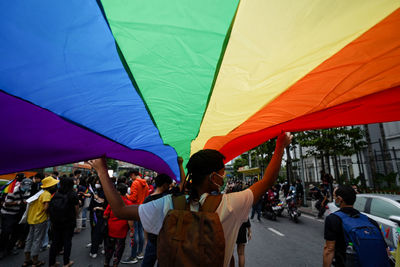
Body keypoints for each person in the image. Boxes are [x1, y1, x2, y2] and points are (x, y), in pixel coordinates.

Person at [89, 132, 292, 267]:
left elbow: (120, 210)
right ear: (213, 177)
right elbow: (267, 181)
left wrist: (101, 170)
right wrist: (281, 145)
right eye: (222, 173)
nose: (224, 178)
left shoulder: (168, 203)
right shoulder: (230, 204)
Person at [323, 185, 390, 267]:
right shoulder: (370, 221)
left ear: (339, 199)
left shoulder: (333, 219)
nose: (334, 199)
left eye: (334, 196)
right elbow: (386, 250)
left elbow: (329, 250)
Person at [23, 176, 59, 267]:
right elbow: (46, 207)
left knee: (29, 239)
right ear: (50, 186)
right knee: (37, 240)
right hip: (40, 219)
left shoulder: (39, 193)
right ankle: (35, 261)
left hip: (31, 218)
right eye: (54, 184)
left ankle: (27, 260)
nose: (55, 185)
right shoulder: (46, 194)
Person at [141, 174, 173, 267]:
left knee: (147, 263)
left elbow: (146, 223)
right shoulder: (168, 198)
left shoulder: (148, 200)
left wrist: (146, 239)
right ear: (165, 185)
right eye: (168, 185)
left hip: (152, 239)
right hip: (164, 240)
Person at [48, 177, 79, 267]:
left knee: (55, 242)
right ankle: (66, 262)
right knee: (67, 242)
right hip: (69, 222)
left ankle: (52, 263)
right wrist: (75, 217)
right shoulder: (73, 194)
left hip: (56, 222)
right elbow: (76, 208)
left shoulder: (57, 193)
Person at [0, 178, 32, 259]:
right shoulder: (13, 191)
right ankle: (1, 249)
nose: (27, 188)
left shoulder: (28, 190)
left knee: (16, 232)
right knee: (6, 232)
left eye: (28, 186)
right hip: (8, 213)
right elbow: (7, 203)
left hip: (18, 214)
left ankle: (9, 249)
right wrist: (19, 202)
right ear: (21, 184)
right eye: (25, 186)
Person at [122, 169, 149, 264]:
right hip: (143, 209)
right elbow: (147, 197)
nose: (130, 178)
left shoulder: (135, 183)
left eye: (130, 176)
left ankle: (133, 256)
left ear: (133, 175)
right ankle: (140, 253)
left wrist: (126, 195)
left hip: (135, 210)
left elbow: (133, 198)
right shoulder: (145, 184)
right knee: (141, 231)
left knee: (135, 232)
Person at [103, 183, 133, 267]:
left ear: (118, 192)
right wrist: (132, 231)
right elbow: (130, 219)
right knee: (118, 250)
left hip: (111, 230)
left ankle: (106, 263)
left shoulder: (113, 202)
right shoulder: (128, 203)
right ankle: (115, 264)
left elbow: (105, 215)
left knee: (109, 248)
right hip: (122, 231)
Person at [89, 178, 107, 258]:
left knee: (98, 232)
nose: (96, 184)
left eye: (98, 183)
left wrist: (97, 199)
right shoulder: (96, 190)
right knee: (95, 231)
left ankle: (94, 251)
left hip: (101, 215)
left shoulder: (106, 192)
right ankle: (97, 244)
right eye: (96, 183)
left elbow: (105, 202)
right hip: (94, 213)